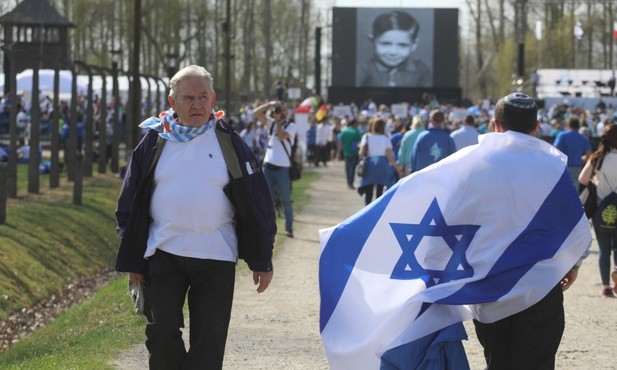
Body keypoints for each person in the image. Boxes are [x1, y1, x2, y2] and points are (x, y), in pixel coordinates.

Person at [115, 65, 276, 370]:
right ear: (172, 101)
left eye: (204, 97)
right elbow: (129, 201)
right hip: (163, 253)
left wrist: (262, 257)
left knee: (209, 340)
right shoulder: (154, 141)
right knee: (161, 334)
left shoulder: (230, 142)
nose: (198, 105)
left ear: (213, 98)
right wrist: (133, 258)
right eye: (189, 98)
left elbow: (258, 200)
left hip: (217, 255)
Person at [472, 93, 588, 370]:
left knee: (498, 362)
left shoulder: (473, 164)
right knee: (537, 362)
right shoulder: (553, 166)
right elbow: (574, 220)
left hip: (490, 284)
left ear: (494, 125)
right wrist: (573, 263)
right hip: (540, 283)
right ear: (536, 127)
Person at [579, 123, 617, 297]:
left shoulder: (597, 158)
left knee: (603, 249)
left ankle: (606, 286)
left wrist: (597, 182)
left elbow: (583, 178)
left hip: (601, 208)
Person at [255, 100, 297, 238]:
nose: (279, 113)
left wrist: (279, 122)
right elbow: (257, 113)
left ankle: (288, 227)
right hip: (268, 167)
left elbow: (281, 136)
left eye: (282, 110)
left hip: (283, 169)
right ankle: (268, 229)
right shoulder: (271, 124)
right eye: (278, 110)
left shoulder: (291, 126)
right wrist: (270, 104)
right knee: (268, 200)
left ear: (287, 113)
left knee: (285, 199)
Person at [358, 11, 432, 87]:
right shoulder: (363, 68)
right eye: (385, 44)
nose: (393, 52)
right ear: (372, 40)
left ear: (414, 45)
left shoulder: (421, 70)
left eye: (402, 45)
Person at [357, 118, 402, 205]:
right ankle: (378, 208)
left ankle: (367, 207)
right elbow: (389, 157)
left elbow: (361, 153)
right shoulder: (385, 139)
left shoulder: (366, 137)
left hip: (369, 164)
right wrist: (397, 167)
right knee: (380, 188)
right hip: (382, 165)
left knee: (369, 188)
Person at [410, 109, 456, 173]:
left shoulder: (422, 136)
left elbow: (414, 156)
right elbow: (453, 159)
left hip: (422, 176)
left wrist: (412, 171)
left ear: (430, 120)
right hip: (441, 176)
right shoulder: (448, 139)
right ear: (443, 121)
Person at [553, 116, 592, 188]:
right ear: (578, 126)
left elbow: (554, 150)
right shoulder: (583, 138)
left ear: (568, 124)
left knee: (562, 188)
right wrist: (581, 159)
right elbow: (589, 155)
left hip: (563, 167)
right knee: (575, 188)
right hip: (577, 167)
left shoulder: (562, 135)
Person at [338, 118, 363, 189]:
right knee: (352, 168)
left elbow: (340, 141)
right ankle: (351, 183)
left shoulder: (344, 131)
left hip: (346, 152)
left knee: (347, 168)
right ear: (354, 124)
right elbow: (361, 141)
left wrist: (339, 152)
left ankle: (348, 182)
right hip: (354, 153)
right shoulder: (356, 131)